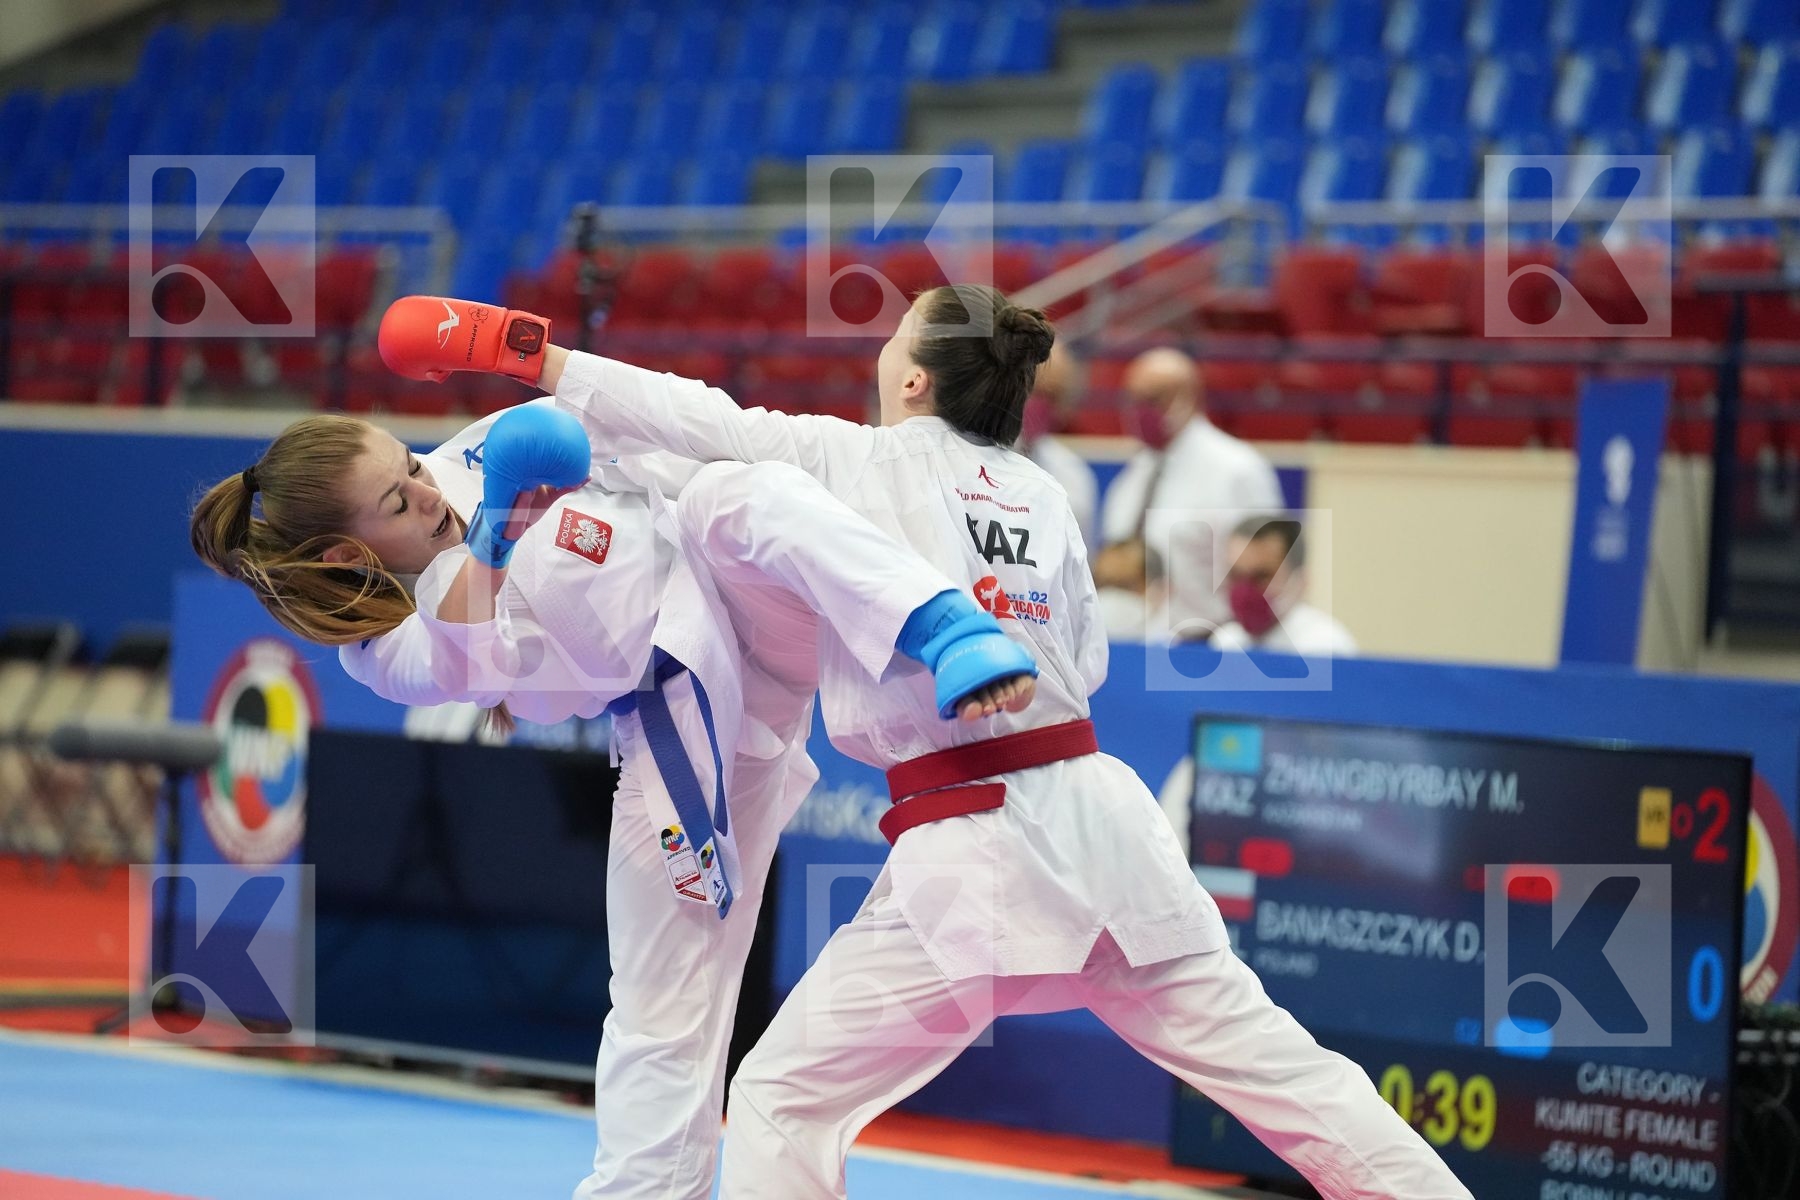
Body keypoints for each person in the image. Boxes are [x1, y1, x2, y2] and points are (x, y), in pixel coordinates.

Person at [378, 289, 1476, 1200]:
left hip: (975, 844)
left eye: (893, 334)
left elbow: (692, 414)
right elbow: (1083, 666)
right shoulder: (1048, 496)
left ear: (913, 380)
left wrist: (521, 349)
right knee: (1293, 1079)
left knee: (782, 1102)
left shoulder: (855, 462)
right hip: (1104, 818)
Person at [189, 387, 1034, 1200]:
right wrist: (494, 531)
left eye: (408, 462)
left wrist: (558, 389)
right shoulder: (380, 653)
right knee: (658, 1009)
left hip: (744, 596)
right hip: (679, 727)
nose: (425, 487)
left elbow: (668, 434)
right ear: (347, 554)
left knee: (740, 492)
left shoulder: (492, 445)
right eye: (396, 501)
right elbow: (471, 656)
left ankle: (945, 624)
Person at [1092, 347, 1282, 642]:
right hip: (1134, 644)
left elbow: (1267, 570)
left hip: (1209, 645)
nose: (1141, 410)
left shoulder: (1237, 471)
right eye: (1133, 399)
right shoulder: (1133, 475)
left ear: (1189, 396)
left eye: (1153, 398)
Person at [1210, 515, 1358, 655]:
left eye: (1262, 577)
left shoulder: (1325, 646)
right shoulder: (1226, 642)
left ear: (1300, 581)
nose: (1245, 589)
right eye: (1236, 575)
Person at [1019, 340, 1098, 547]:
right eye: (1034, 391)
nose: (1040, 404)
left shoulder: (1074, 474)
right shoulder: (973, 460)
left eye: (1052, 396)